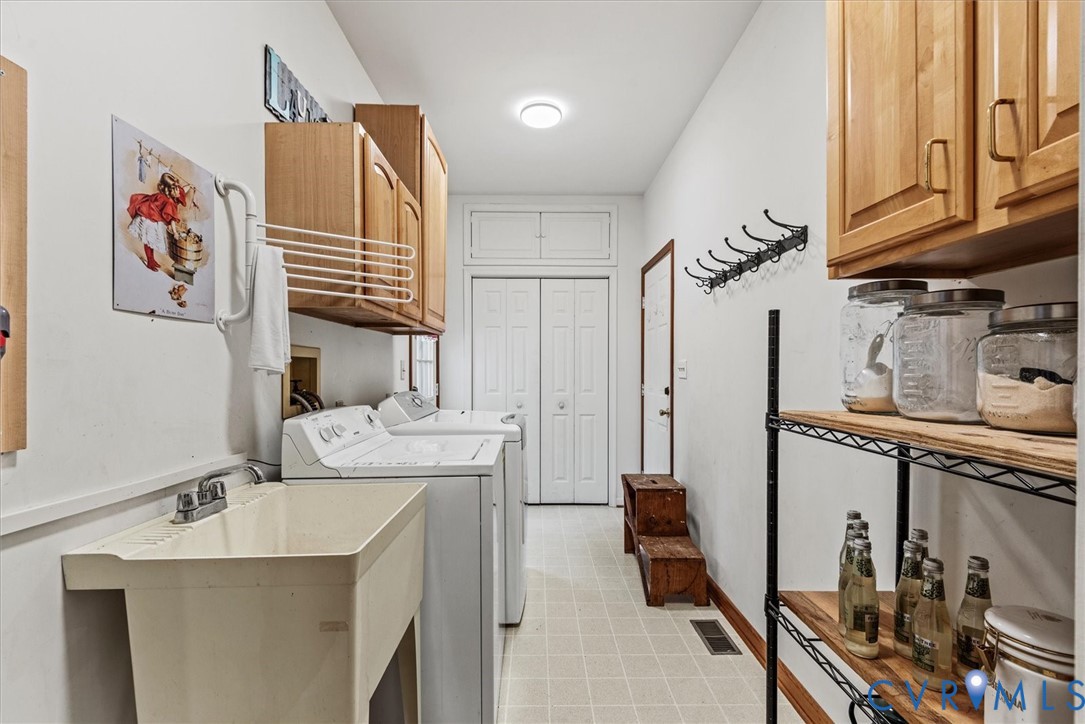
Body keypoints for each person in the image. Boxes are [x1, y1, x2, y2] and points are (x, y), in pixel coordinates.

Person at [127, 172, 189, 272]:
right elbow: (171, 219)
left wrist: (189, 187)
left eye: (178, 188)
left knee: (150, 241)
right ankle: (150, 261)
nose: (179, 191)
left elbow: (182, 190)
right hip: (149, 218)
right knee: (148, 240)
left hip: (152, 214)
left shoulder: (170, 194)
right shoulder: (169, 201)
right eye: (176, 189)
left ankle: (152, 259)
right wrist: (175, 233)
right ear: (169, 190)